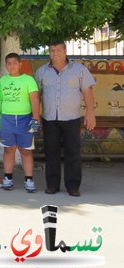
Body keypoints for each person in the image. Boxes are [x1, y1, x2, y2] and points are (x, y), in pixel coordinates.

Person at [35, 42, 96, 197]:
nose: (55, 53)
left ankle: (73, 186)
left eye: (58, 50)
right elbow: (36, 96)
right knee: (51, 152)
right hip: (49, 119)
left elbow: (87, 91)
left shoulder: (79, 70)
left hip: (71, 118)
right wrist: (34, 116)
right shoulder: (42, 71)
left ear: (65, 51)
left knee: (73, 153)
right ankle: (52, 185)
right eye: (52, 50)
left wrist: (90, 114)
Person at [0, 53, 40, 193]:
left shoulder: (28, 80)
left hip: (25, 119)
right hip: (6, 119)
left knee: (25, 150)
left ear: (20, 64)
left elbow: (35, 100)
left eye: (14, 63)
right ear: (6, 66)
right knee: (8, 149)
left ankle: (29, 180)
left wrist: (36, 119)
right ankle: (8, 178)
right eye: (8, 63)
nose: (12, 66)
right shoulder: (2, 81)